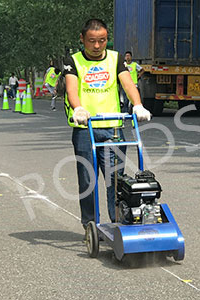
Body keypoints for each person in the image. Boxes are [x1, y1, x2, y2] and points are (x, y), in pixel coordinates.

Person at [64, 19, 151, 229]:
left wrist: (137, 105)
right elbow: (71, 89)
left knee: (116, 181)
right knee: (87, 181)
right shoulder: (73, 61)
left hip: (113, 127)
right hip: (86, 128)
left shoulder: (115, 58)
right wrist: (78, 109)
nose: (96, 46)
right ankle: (90, 225)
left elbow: (128, 83)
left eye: (102, 41)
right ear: (82, 39)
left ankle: (119, 223)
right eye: (92, 41)